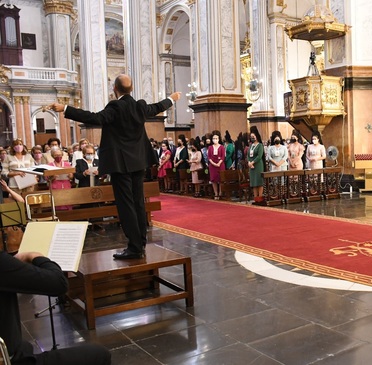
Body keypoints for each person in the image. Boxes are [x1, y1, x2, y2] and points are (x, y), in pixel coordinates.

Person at [50, 74, 181, 260]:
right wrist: (172, 99)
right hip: (138, 162)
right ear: (132, 88)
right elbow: (158, 107)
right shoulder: (140, 106)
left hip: (120, 164)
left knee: (126, 204)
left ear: (115, 89)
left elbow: (94, 118)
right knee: (138, 203)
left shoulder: (115, 107)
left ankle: (135, 247)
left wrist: (65, 108)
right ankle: (140, 242)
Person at [0, 250, 112, 365]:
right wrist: (35, 257)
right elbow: (59, 282)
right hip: (13, 359)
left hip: (12, 349)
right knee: (100, 354)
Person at [247, 127, 264, 202]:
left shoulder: (260, 145)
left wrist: (253, 162)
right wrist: (249, 162)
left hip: (258, 165)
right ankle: (255, 198)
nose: (252, 138)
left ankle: (260, 197)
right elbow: (248, 155)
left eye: (253, 137)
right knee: (254, 182)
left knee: (259, 182)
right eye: (251, 137)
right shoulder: (251, 146)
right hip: (251, 166)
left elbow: (259, 156)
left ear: (256, 136)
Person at [208, 130, 225, 199]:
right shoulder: (210, 147)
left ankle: (220, 192)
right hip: (212, 165)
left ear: (219, 139)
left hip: (220, 165)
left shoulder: (222, 147)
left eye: (216, 138)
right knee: (213, 179)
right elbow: (209, 157)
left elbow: (223, 156)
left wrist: (219, 163)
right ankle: (216, 193)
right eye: (214, 138)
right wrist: (213, 163)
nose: (215, 140)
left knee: (220, 179)